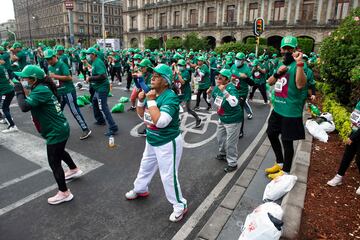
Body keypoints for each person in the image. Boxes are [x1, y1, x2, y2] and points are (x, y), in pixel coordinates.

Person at [125, 64, 188, 222]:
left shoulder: (170, 97)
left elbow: (161, 122)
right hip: (152, 139)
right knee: (145, 165)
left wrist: (150, 101)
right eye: (152, 74)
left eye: (157, 76)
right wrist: (141, 102)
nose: (152, 77)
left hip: (167, 142)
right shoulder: (152, 93)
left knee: (168, 176)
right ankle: (140, 189)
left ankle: (180, 205)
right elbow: (144, 117)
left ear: (165, 81)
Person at [13, 65, 83, 204]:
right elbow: (30, 100)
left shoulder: (40, 90)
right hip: (59, 128)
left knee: (54, 163)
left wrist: (18, 91)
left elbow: (24, 107)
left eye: (25, 78)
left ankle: (64, 193)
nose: (23, 79)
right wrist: (22, 90)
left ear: (33, 79)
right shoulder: (40, 88)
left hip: (56, 132)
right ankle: (74, 169)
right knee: (60, 152)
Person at [265, 36, 308, 179]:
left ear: (296, 50)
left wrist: (300, 64)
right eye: (285, 49)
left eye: (290, 49)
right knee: (271, 133)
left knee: (287, 141)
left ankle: (286, 171)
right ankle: (280, 162)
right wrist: (278, 73)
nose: (287, 52)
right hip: (278, 108)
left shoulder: (300, 65)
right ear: (281, 49)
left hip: (290, 111)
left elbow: (300, 84)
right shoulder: (280, 64)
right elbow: (270, 82)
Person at [44, 49, 91, 140]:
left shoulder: (62, 64)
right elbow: (51, 79)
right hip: (59, 93)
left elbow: (69, 78)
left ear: (54, 57)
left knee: (74, 111)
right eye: (47, 59)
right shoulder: (49, 67)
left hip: (68, 91)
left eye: (50, 59)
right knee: (57, 112)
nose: (48, 61)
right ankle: (58, 130)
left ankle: (85, 129)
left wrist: (55, 76)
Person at [207, 69, 242, 173]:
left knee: (231, 142)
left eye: (221, 77)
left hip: (233, 119)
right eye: (217, 76)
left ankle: (232, 163)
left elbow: (234, 103)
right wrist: (209, 95)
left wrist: (224, 91)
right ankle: (222, 154)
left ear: (227, 79)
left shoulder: (232, 88)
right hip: (222, 117)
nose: (218, 78)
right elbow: (211, 101)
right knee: (220, 137)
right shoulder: (217, 88)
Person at [327, 101, 360, 195]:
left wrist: (352, 137)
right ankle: (338, 177)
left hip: (357, 135)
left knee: (359, 160)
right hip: (355, 132)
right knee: (347, 156)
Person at [85, 47, 118, 136]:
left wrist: (90, 78)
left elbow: (103, 76)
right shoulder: (94, 62)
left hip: (102, 88)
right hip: (97, 88)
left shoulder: (98, 62)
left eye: (89, 54)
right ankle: (100, 120)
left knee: (103, 107)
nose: (87, 56)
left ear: (94, 54)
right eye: (87, 54)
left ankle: (113, 127)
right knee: (94, 102)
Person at [174, 59, 201, 128]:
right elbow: (175, 80)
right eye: (178, 65)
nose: (179, 67)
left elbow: (182, 82)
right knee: (175, 106)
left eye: (181, 65)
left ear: (184, 66)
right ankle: (177, 120)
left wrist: (178, 74)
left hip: (186, 93)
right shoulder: (178, 71)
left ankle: (198, 119)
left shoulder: (186, 73)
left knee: (188, 109)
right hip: (180, 92)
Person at [0, 56, 18, 132]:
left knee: (3, 108)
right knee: (5, 107)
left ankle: (12, 125)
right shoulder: (2, 67)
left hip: (5, 91)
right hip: (8, 89)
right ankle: (6, 118)